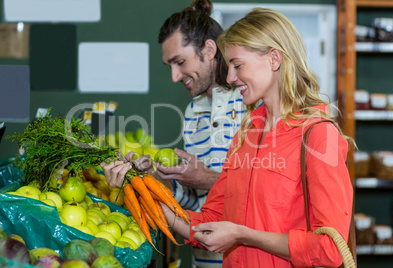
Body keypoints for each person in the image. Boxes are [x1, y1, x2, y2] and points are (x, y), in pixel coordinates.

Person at [155, 8, 354, 268]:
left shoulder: (318, 136)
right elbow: (210, 221)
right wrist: (146, 197)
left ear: (274, 59)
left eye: (237, 65)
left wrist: (243, 235)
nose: (229, 78)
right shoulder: (244, 136)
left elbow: (331, 249)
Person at [101, 0, 247, 266]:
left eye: (179, 62)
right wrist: (157, 181)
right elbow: (193, 202)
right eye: (169, 65)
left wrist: (208, 179)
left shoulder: (252, 101)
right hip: (203, 259)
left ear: (209, 50)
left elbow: (270, 191)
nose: (174, 76)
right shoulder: (193, 112)